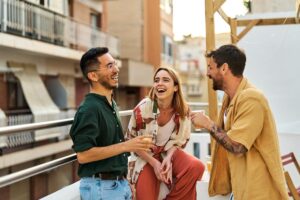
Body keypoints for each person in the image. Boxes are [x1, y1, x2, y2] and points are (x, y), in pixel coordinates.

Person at [191, 44, 289, 200]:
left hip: (259, 192)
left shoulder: (252, 98)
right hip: (240, 188)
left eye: (210, 67)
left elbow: (237, 146)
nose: (207, 73)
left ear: (224, 68)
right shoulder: (229, 99)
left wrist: (208, 124)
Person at [69, 47, 153, 200]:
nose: (116, 69)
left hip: (116, 185)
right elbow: (83, 155)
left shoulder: (111, 103)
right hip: (101, 188)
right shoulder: (89, 109)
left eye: (115, 64)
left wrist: (123, 181)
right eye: (109, 66)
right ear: (93, 75)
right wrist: (127, 146)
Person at [126, 67, 205, 200]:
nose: (159, 83)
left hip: (168, 152)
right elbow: (131, 142)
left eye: (165, 80)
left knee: (196, 167)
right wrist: (154, 163)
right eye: (156, 80)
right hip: (145, 156)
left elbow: (179, 141)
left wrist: (168, 158)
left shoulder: (182, 111)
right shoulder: (143, 108)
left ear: (175, 87)